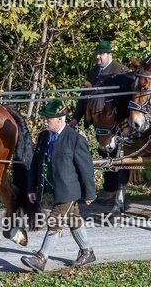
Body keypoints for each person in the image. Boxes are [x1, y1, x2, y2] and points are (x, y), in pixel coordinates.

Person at [21, 99, 97, 272]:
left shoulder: (75, 139)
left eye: (48, 119)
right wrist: (32, 187)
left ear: (60, 119)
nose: (45, 122)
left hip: (69, 189)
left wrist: (90, 193)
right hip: (51, 187)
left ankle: (41, 258)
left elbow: (86, 169)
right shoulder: (43, 137)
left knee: (54, 220)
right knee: (73, 219)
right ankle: (87, 251)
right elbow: (35, 164)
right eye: (45, 119)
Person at [70, 40, 130, 203]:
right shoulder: (94, 72)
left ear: (109, 55)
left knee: (117, 154)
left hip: (115, 123)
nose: (98, 57)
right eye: (97, 54)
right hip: (98, 122)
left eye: (101, 54)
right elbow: (84, 97)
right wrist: (76, 117)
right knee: (104, 152)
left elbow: (127, 100)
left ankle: (117, 189)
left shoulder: (121, 72)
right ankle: (109, 187)